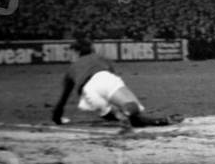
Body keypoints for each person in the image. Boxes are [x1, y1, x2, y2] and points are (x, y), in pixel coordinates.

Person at [51, 37, 182, 128]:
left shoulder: (71, 69)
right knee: (132, 109)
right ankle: (147, 118)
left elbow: (62, 100)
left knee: (112, 113)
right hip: (105, 78)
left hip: (88, 90)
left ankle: (119, 116)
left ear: (77, 52)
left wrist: (57, 118)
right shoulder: (100, 58)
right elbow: (112, 77)